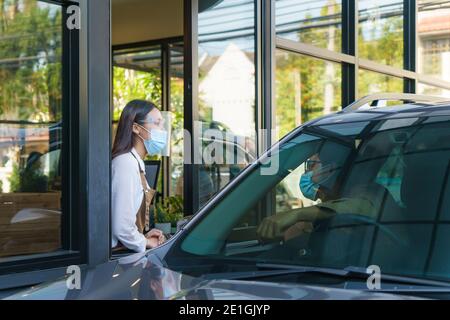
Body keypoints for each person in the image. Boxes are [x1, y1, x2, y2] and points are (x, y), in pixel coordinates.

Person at [111, 99, 167, 252]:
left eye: (162, 124)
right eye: (156, 123)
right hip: (118, 257)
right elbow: (121, 227)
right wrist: (146, 242)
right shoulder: (125, 163)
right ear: (136, 128)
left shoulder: (135, 163)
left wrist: (144, 236)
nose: (162, 130)